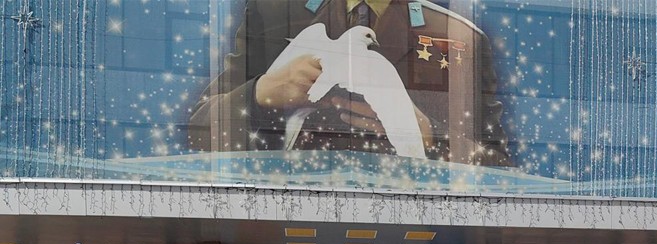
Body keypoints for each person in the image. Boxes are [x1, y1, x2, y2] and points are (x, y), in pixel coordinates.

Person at [188, 0, 511, 167]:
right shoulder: (273, 13)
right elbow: (200, 132)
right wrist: (261, 93)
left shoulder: (460, 37)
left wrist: (429, 136)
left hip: (415, 236)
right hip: (285, 229)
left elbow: (500, 170)